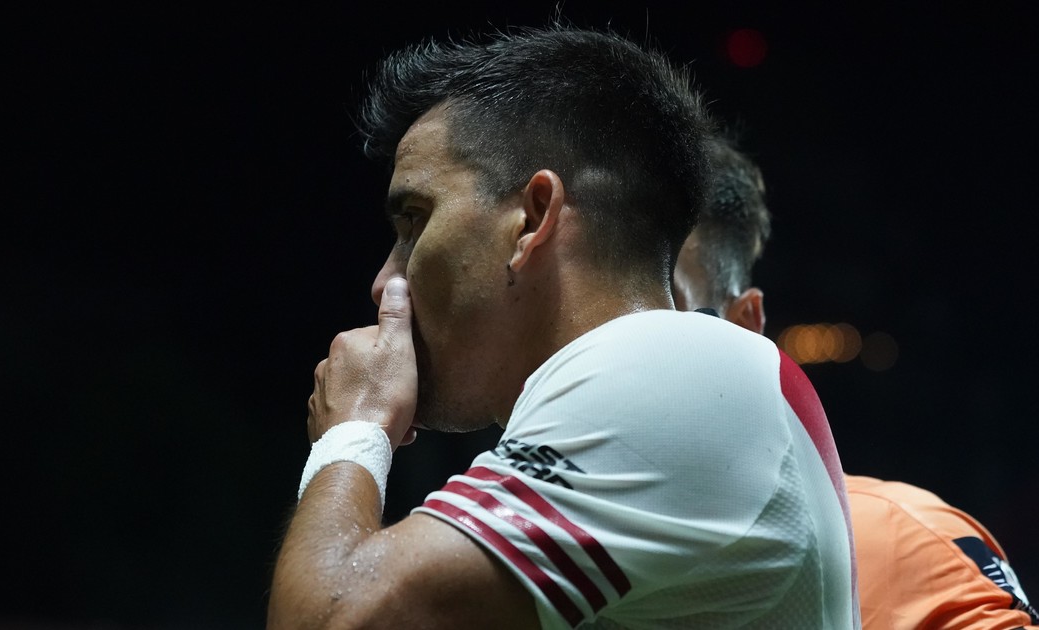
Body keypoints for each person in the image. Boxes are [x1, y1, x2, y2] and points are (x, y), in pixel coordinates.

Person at [268, 25, 857, 629]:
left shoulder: (669, 368)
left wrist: (355, 428)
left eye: (415, 220)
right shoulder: (689, 375)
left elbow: (328, 620)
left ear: (533, 217)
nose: (384, 281)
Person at [673, 133, 1039, 629]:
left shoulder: (905, 548)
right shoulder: (564, 572)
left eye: (655, 309)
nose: (599, 348)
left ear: (743, 328)